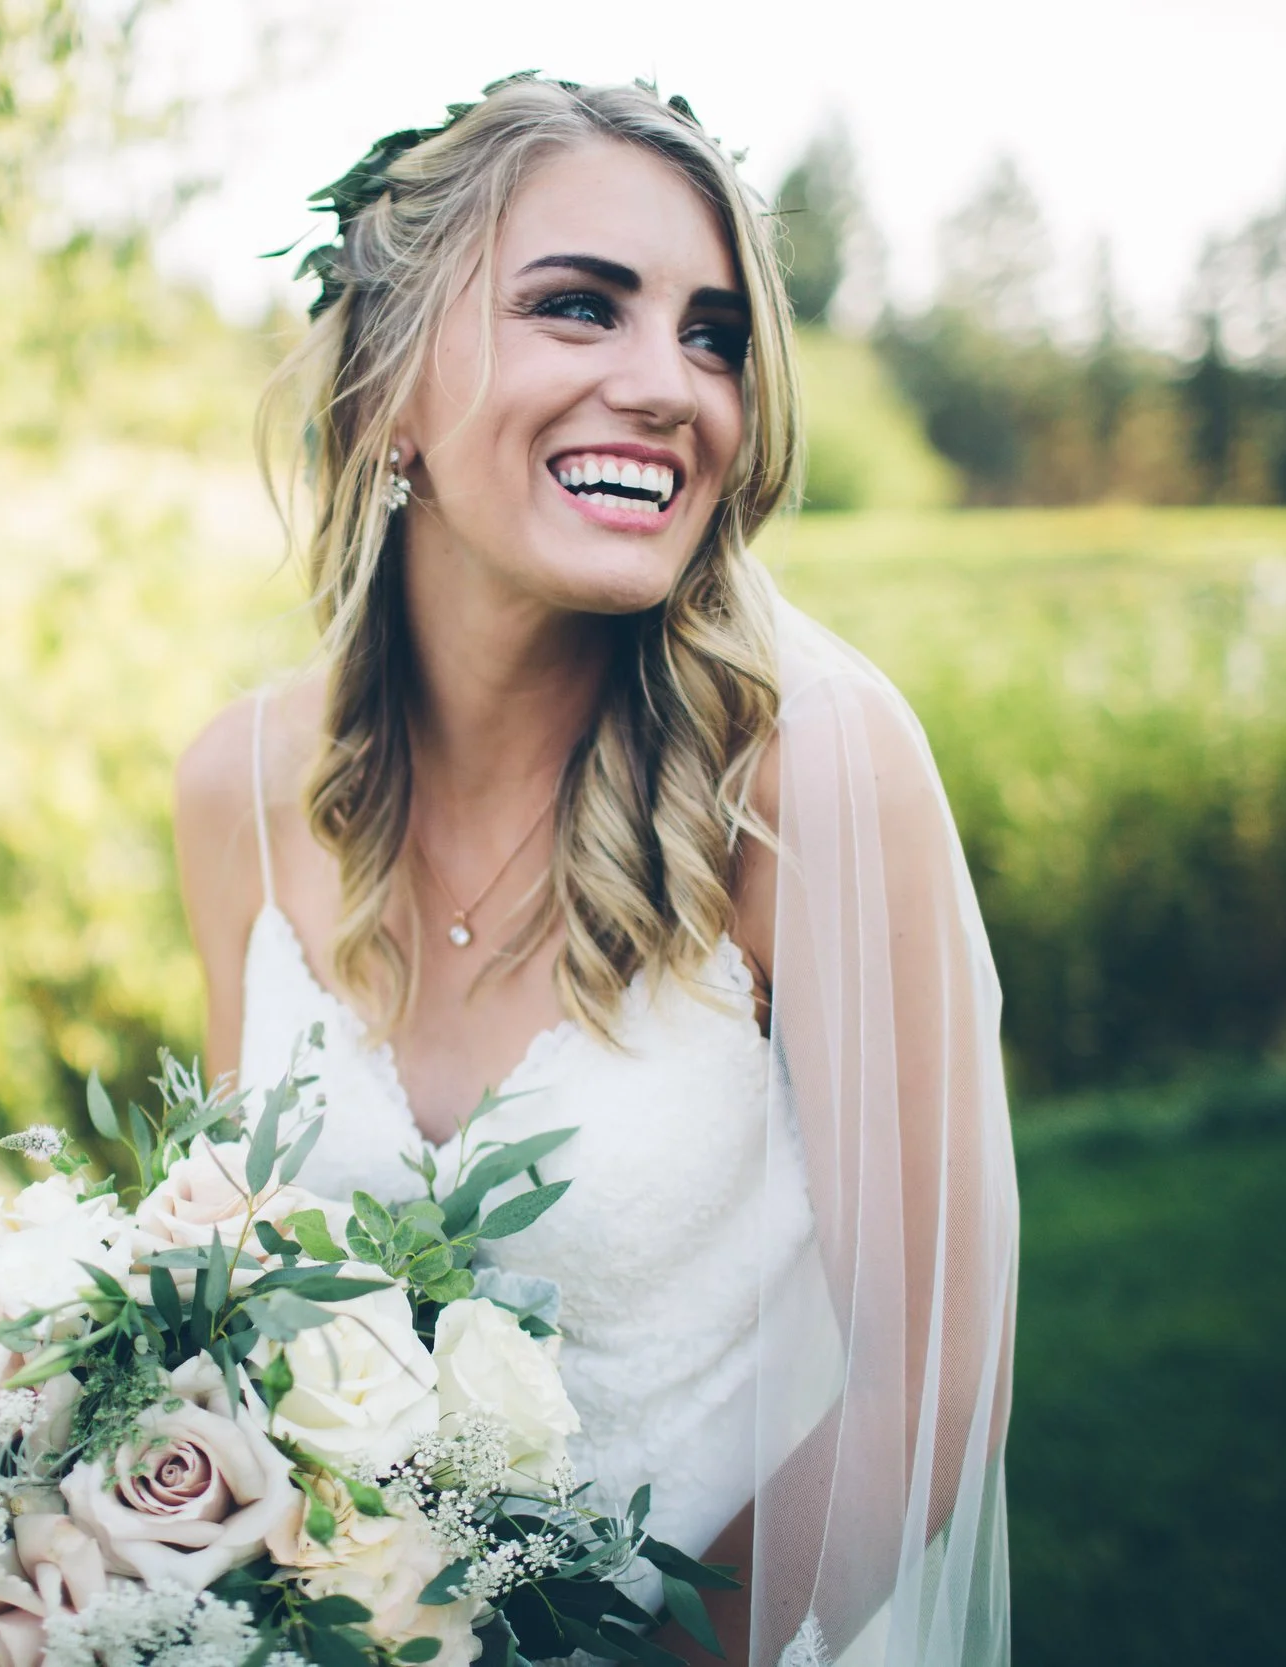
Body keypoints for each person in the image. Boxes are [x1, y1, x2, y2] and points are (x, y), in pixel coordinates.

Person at [173, 76, 1017, 1667]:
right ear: (386, 391)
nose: (668, 387)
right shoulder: (238, 791)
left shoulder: (809, 777)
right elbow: (234, 1308)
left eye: (714, 336)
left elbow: (933, 1385)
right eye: (580, 307)